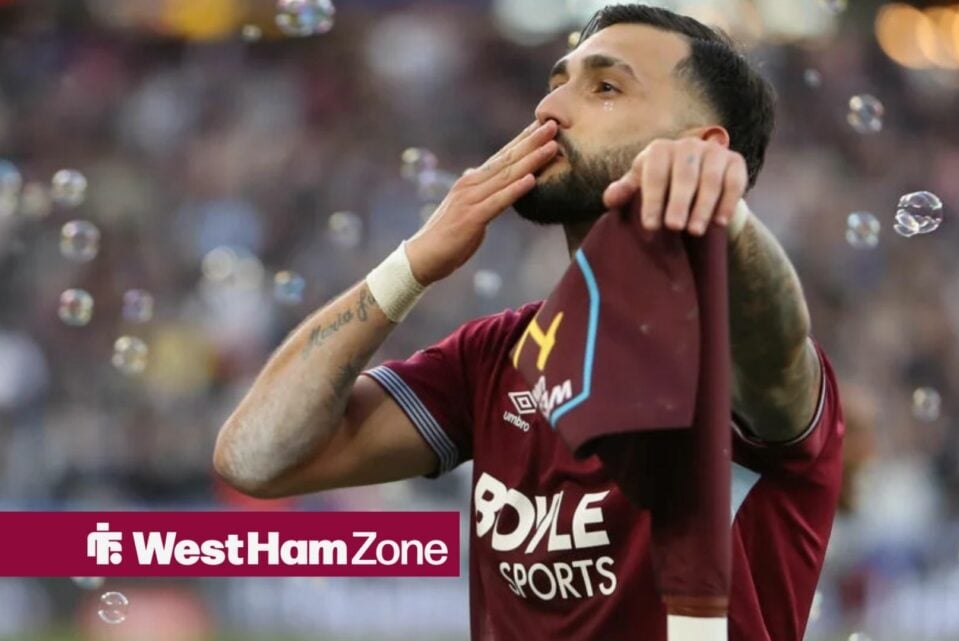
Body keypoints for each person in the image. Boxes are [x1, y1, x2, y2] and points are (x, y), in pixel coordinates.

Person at [213, 5, 845, 640]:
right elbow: (256, 459)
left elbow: (775, 349)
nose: (549, 111)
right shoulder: (496, 357)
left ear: (700, 147)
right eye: (555, 84)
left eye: (604, 87)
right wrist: (411, 265)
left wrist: (724, 217)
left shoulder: (731, 351)